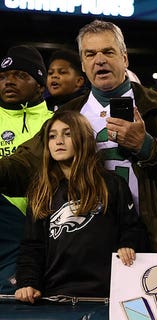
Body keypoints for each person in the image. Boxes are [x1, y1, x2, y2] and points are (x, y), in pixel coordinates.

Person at [0, 20, 157, 254]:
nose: (100, 60)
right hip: (88, 246)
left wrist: (145, 146)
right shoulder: (68, 115)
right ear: (84, 66)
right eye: (90, 54)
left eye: (108, 52)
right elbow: (24, 165)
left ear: (125, 59)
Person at [14, 110, 148, 304]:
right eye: (52, 136)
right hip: (56, 295)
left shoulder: (112, 184)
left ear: (83, 138)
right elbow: (32, 246)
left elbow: (132, 228)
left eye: (67, 134)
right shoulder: (41, 191)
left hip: (107, 294)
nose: (58, 141)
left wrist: (129, 244)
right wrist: (27, 282)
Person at [0, 45, 53, 295]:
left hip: (42, 226)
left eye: (20, 75)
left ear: (41, 85)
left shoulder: (58, 122)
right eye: (3, 76)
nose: (8, 82)